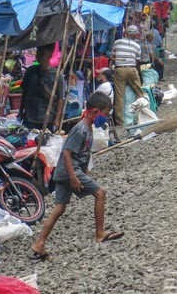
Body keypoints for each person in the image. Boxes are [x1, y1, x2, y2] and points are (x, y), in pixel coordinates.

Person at [29, 92, 123, 261]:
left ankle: (39, 243)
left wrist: (85, 172)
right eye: (105, 114)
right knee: (100, 193)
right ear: (95, 112)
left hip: (64, 172)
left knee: (60, 208)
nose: (106, 118)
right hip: (68, 171)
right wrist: (74, 177)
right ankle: (100, 233)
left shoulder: (87, 128)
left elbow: (83, 153)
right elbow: (66, 153)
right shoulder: (80, 129)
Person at [19, 44, 66, 131]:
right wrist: (20, 111)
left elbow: (60, 98)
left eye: (42, 54)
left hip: (47, 118)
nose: (39, 56)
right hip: (29, 116)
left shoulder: (57, 76)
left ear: (50, 56)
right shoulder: (30, 71)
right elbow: (24, 92)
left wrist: (57, 119)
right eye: (38, 53)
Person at [111, 25, 144, 126]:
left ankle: (120, 121)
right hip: (132, 69)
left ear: (126, 33)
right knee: (139, 93)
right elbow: (138, 61)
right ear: (135, 35)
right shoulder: (137, 46)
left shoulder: (117, 42)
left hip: (119, 70)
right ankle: (142, 114)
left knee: (119, 96)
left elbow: (113, 56)